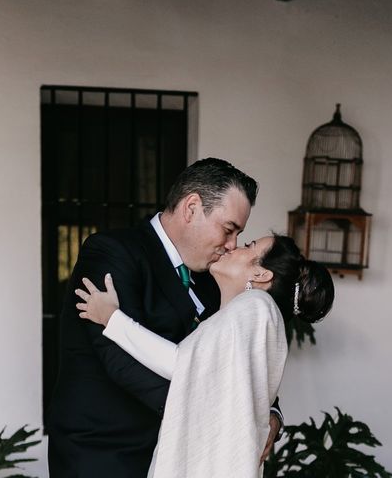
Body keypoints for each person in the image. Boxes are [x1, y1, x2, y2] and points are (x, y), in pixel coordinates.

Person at [48, 157, 285, 477]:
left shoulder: (215, 276)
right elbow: (119, 361)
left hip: (175, 456)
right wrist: (227, 412)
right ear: (191, 208)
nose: (232, 245)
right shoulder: (112, 253)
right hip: (106, 453)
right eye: (229, 229)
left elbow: (234, 353)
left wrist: (267, 410)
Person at [76, 235, 334, 477]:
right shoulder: (241, 311)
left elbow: (183, 364)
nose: (233, 246)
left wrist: (112, 318)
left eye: (249, 244)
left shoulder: (256, 306)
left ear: (261, 273)